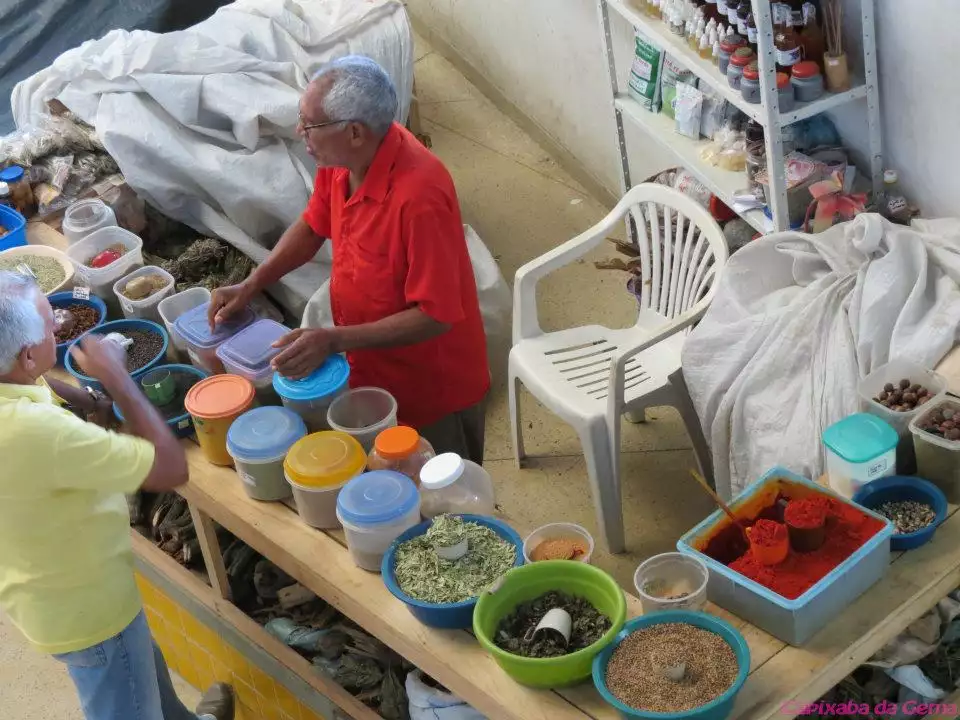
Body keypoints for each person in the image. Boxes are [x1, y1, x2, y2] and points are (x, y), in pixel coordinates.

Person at [209, 56, 490, 463]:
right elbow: (312, 226)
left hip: (432, 385)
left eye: (309, 124)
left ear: (354, 131)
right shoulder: (341, 162)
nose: (298, 132)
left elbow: (436, 315)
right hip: (372, 367)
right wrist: (251, 284)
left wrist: (334, 339)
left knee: (439, 495)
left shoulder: (419, 198)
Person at [0, 270, 234, 720]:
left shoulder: (17, 386)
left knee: (143, 675)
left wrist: (90, 400)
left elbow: (41, 389)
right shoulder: (39, 434)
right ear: (29, 357)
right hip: (89, 614)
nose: (59, 327)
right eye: (52, 326)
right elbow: (171, 468)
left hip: (43, 590)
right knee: (124, 685)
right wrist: (117, 378)